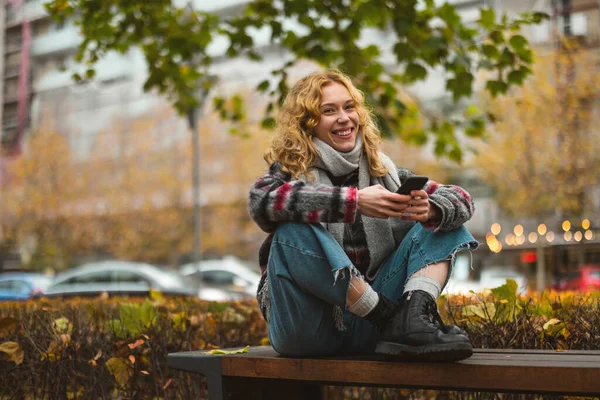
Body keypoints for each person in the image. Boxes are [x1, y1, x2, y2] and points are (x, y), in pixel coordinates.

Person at [248, 70, 479, 362]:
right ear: (308, 123)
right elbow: (261, 200)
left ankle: (412, 317)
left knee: (444, 221)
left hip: (375, 329)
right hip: (309, 327)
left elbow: (462, 199)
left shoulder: (386, 172)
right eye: (328, 111)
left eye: (349, 107)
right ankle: (388, 317)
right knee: (292, 231)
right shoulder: (289, 172)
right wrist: (352, 202)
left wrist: (431, 209)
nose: (344, 117)